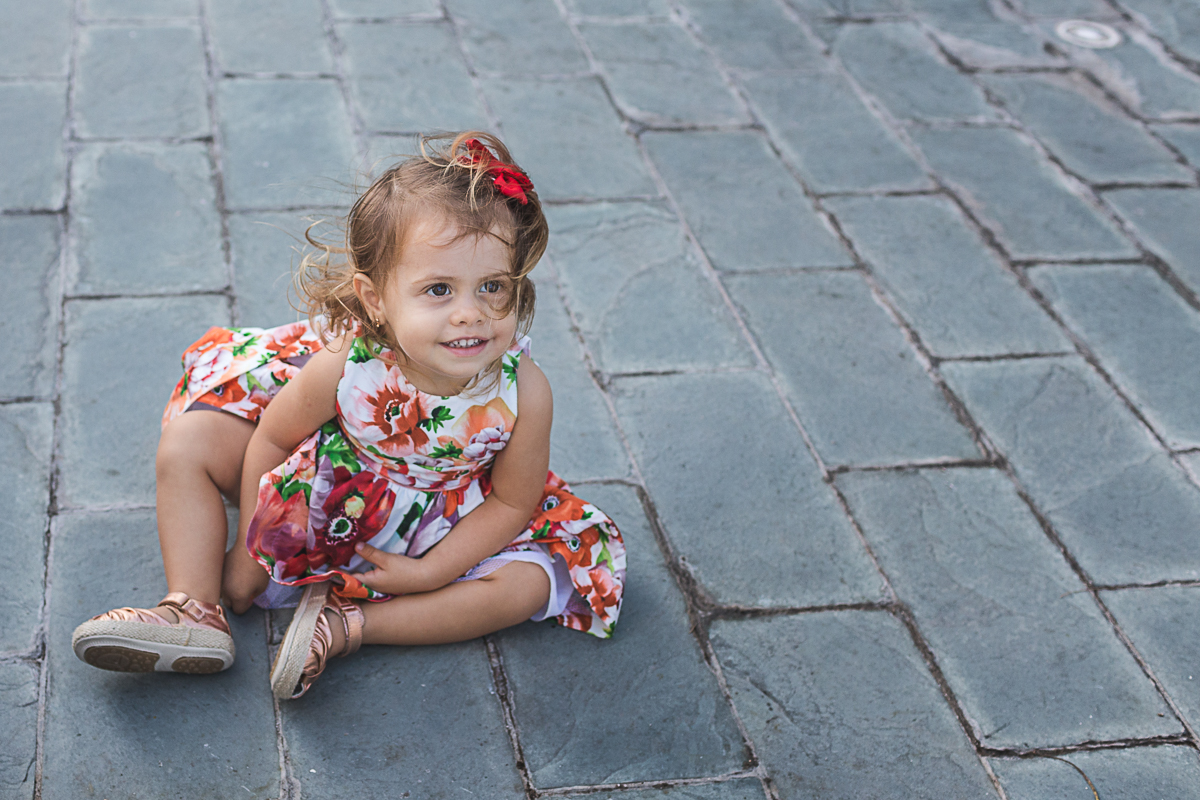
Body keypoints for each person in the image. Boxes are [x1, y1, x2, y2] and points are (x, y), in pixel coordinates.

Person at [71, 132, 626, 699]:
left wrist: (430, 572)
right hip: (321, 498)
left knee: (528, 585)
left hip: (443, 532)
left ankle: (347, 626)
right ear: (376, 298)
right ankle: (193, 607)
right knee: (190, 441)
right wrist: (249, 552)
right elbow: (273, 439)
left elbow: (512, 502)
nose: (471, 313)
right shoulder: (348, 361)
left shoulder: (524, 391)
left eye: (493, 287)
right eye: (439, 289)